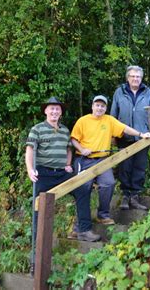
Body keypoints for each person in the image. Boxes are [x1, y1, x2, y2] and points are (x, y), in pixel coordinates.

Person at [25, 97, 100, 244]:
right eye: (51, 108)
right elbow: (29, 150)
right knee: (39, 205)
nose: (54, 111)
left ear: (61, 113)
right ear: (46, 111)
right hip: (43, 173)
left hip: (61, 173)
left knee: (83, 190)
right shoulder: (37, 129)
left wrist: (67, 163)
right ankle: (37, 242)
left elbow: (68, 149)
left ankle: (84, 230)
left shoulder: (65, 130)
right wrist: (30, 169)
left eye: (57, 109)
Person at [70, 95, 150, 226]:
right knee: (83, 189)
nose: (99, 108)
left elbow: (125, 128)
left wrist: (141, 134)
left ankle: (103, 215)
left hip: (103, 160)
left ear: (105, 108)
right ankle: (78, 225)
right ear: (92, 106)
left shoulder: (109, 120)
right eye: (97, 105)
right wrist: (82, 148)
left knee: (109, 183)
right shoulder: (83, 121)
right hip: (84, 160)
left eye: (102, 106)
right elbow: (73, 139)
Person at [110, 65, 150, 210]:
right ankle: (125, 196)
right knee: (125, 167)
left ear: (141, 78)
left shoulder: (148, 93)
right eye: (132, 76)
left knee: (139, 168)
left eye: (138, 76)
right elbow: (113, 115)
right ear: (127, 78)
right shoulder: (120, 92)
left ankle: (135, 196)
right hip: (123, 136)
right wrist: (112, 134)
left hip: (143, 137)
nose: (135, 79)